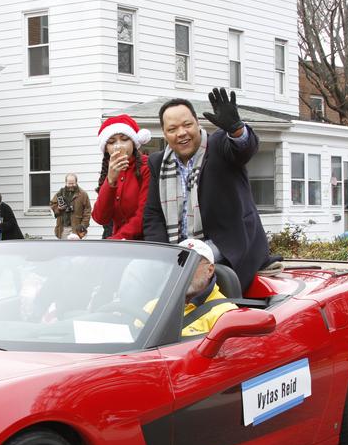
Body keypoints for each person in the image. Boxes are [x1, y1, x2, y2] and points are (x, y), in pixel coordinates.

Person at [142, 88, 270, 293]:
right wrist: (160, 254)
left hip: (226, 242)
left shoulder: (219, 144)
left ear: (197, 123)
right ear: (164, 133)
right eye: (173, 128)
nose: (181, 133)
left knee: (185, 265)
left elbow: (244, 149)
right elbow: (153, 215)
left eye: (187, 125)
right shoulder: (158, 162)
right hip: (179, 248)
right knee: (137, 270)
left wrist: (236, 130)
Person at [91, 115, 152, 240]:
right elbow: (100, 217)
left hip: (146, 241)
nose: (118, 146)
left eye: (124, 139)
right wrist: (110, 181)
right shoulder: (109, 171)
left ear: (134, 143)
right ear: (106, 149)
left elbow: (144, 214)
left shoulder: (146, 166)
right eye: (112, 142)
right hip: (120, 243)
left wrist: (117, 239)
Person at [175, 239, 238, 336]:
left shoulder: (225, 315)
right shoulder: (157, 305)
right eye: (180, 264)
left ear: (209, 270)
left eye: (191, 264)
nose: (184, 271)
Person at [51, 173, 92, 239]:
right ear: (66, 182)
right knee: (64, 248)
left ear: (76, 182)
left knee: (78, 248)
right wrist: (58, 208)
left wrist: (83, 226)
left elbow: (87, 211)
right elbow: (53, 204)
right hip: (63, 228)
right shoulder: (60, 193)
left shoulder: (83, 194)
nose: (71, 185)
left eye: (73, 183)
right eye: (69, 183)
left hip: (77, 228)